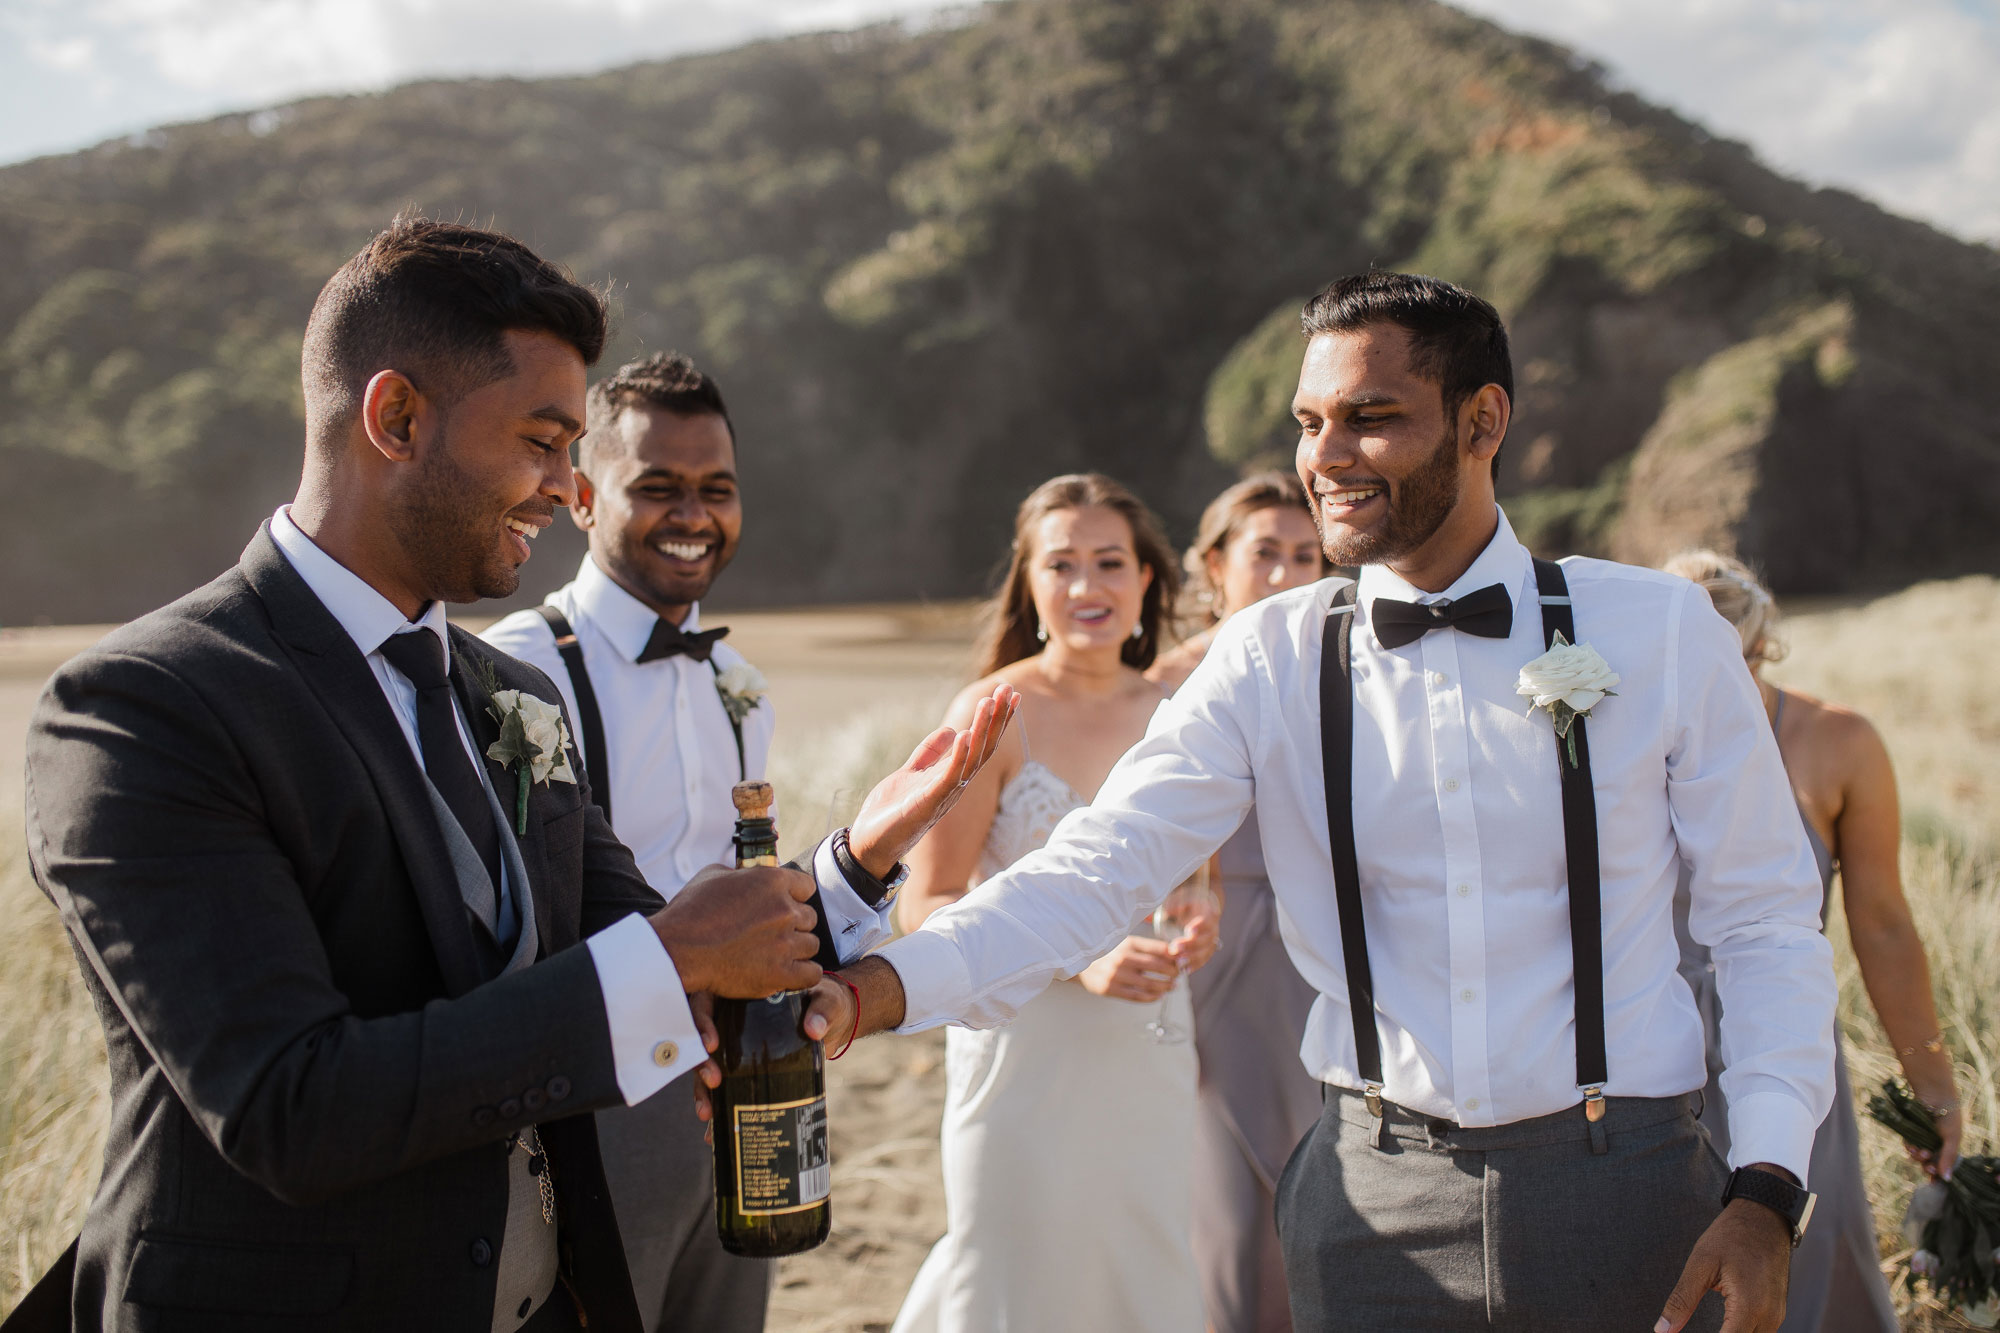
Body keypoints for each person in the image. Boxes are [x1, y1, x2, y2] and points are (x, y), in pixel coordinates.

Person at [784, 271, 1840, 1333]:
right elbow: (1097, 863)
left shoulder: (1656, 631)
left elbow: (1760, 923)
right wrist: (878, 986)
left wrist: (1763, 1188)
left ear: (1483, 421)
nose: (1324, 457)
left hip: (1631, 1187)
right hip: (1366, 1204)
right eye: (1308, 422)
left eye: (1368, 419)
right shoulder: (1267, 656)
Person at [20, 217, 1012, 1333]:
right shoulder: (147, 707)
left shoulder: (513, 699)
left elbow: (669, 948)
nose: (560, 487)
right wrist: (672, 953)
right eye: (542, 441)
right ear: (396, 417)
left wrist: (854, 858)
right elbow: (287, 1107)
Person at [484, 351, 880, 1333]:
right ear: (580, 495)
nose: (692, 514)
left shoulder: (739, 682)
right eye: (655, 487)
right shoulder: (511, 669)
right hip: (592, 1100)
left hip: (742, 1081)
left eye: (716, 490)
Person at [887, 474, 1217, 1333]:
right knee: (1013, 1264)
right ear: (1030, 585)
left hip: (1147, 1049)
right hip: (1021, 1053)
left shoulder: (1183, 717)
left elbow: (1191, 876)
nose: (1085, 586)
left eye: (1109, 562)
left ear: (1146, 579)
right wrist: (1078, 955)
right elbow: (925, 904)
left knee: (1141, 1264)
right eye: (1060, 564)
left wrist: (1200, 914)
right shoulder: (995, 714)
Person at [1662, 549, 1960, 1333]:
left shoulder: (1839, 741)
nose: (1728, 685)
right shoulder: (1628, 738)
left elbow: (1886, 927)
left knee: (1804, 1246)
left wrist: (1933, 1087)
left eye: (1745, 662)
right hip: (1653, 1052)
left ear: (1767, 648)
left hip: (1789, 1041)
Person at [1147, 471, 1327, 1333]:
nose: (1288, 574)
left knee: (1315, 1195)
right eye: (1266, 555)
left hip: (1316, 960)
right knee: (1223, 1198)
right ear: (1214, 566)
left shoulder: (1342, 674)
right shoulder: (1156, 685)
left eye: (1307, 554)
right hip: (1208, 961)